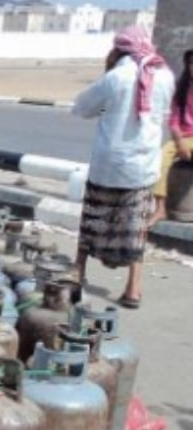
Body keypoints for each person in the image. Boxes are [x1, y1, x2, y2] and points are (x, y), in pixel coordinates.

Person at [71, 26, 175, 309]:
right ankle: (133, 288)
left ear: (120, 49)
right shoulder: (165, 76)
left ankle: (77, 273)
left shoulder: (116, 77)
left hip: (108, 165)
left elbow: (82, 108)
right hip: (142, 167)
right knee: (135, 227)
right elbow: (164, 115)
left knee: (92, 219)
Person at [154, 48, 193, 223]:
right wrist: (180, 142)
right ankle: (160, 208)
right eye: (191, 63)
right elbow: (174, 121)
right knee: (161, 158)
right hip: (182, 138)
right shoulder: (182, 89)